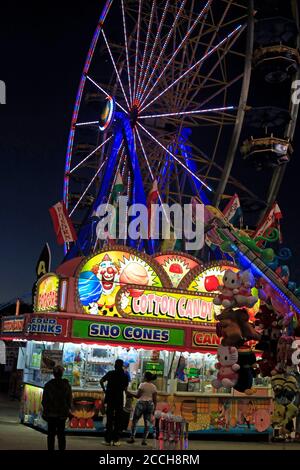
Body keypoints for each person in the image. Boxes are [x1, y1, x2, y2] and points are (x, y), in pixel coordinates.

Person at [41, 365, 73, 451]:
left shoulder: (48, 385)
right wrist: (68, 410)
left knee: (51, 435)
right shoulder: (66, 385)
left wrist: (46, 410)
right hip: (62, 414)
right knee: (61, 435)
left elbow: (44, 400)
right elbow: (69, 400)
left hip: (51, 414)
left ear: (53, 374)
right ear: (62, 374)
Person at [100, 359, 129, 446]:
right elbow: (125, 388)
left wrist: (105, 390)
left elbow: (101, 381)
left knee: (109, 418)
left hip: (110, 398)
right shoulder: (125, 376)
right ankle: (116, 440)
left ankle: (108, 440)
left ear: (115, 365)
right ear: (122, 366)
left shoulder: (110, 373)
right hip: (119, 398)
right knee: (118, 419)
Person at [127, 371, 157, 445]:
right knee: (147, 423)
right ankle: (144, 441)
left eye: (143, 376)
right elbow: (155, 400)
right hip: (150, 405)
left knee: (135, 421)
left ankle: (132, 438)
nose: (142, 377)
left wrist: (129, 393)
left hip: (141, 404)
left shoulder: (142, 385)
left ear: (146, 377)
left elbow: (138, 396)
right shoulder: (154, 387)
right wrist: (154, 409)